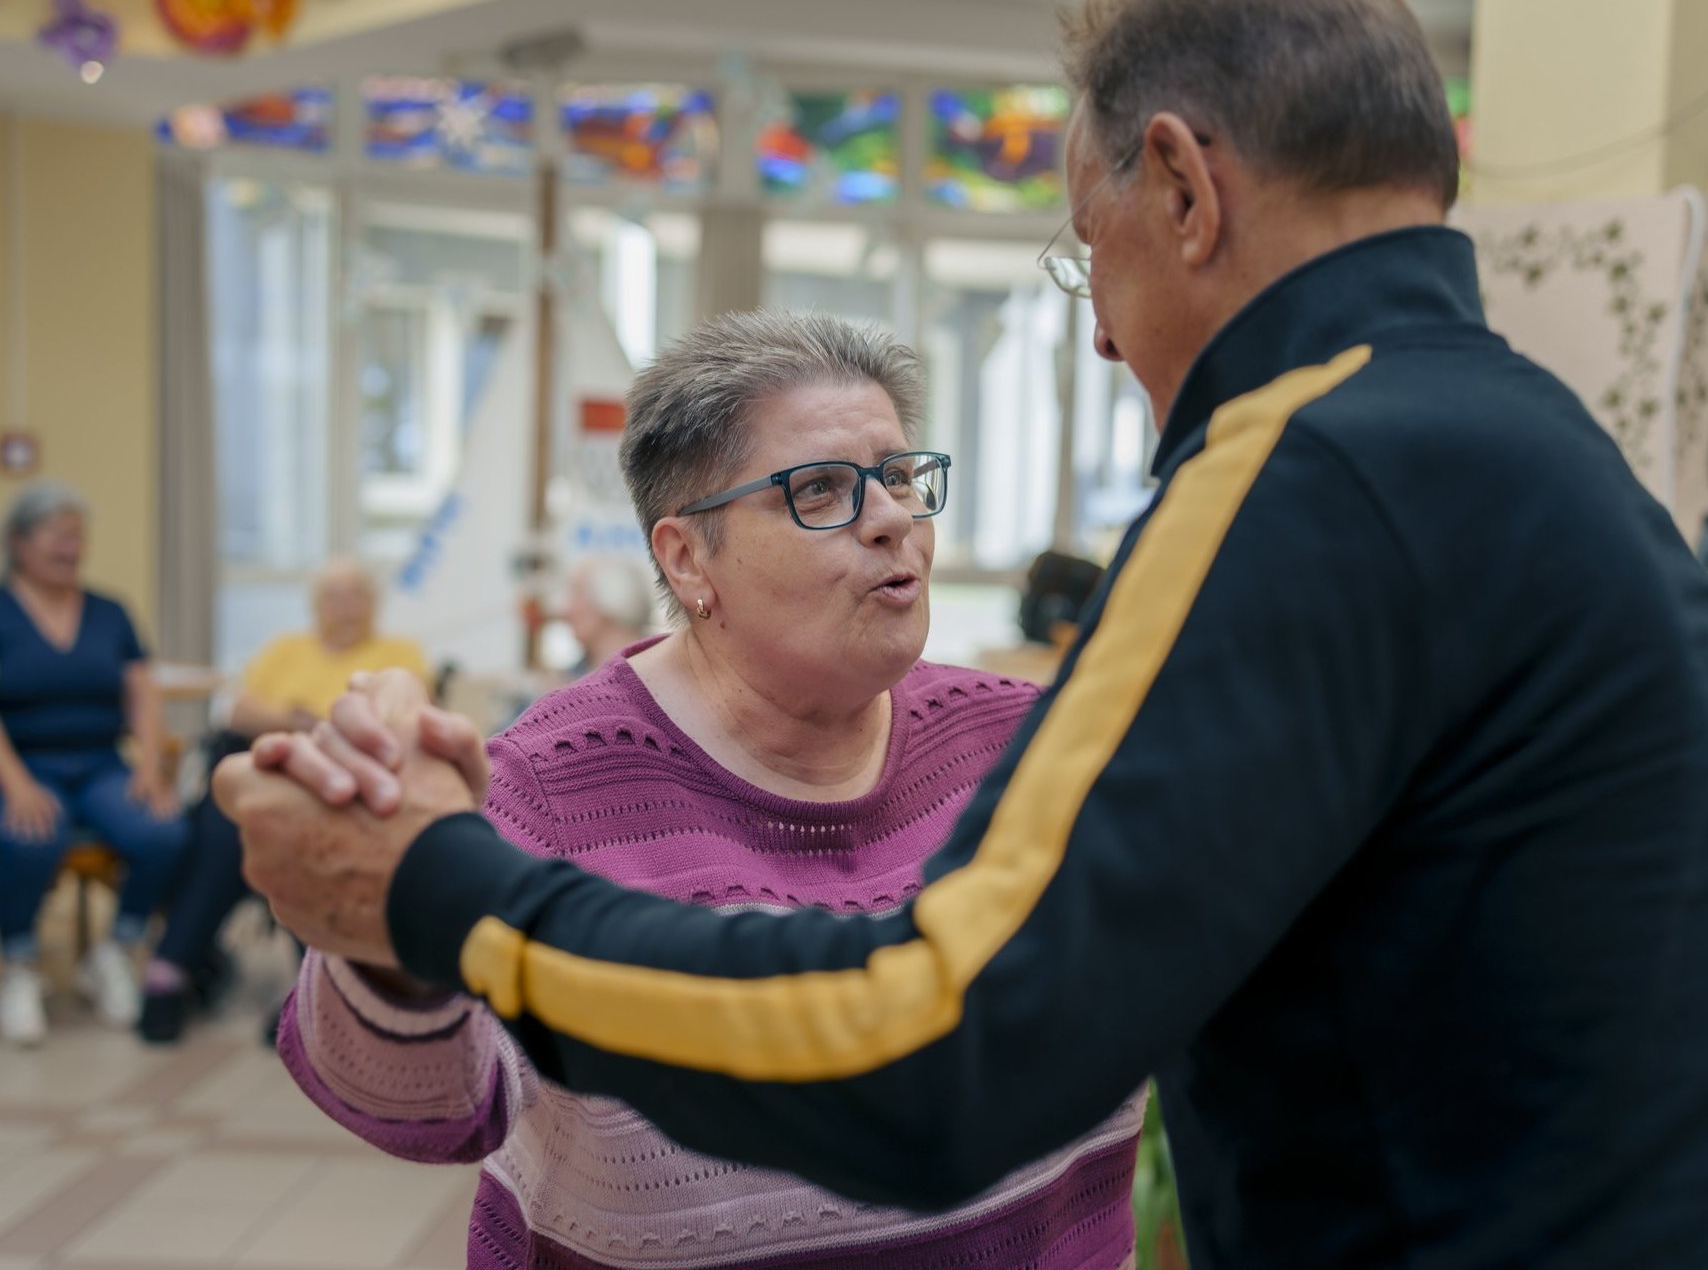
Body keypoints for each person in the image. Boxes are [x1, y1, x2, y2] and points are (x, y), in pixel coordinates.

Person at [217, 0, 1708, 1265]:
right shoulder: (1531, 440)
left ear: (1185, 190)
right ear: (687, 557)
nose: (1108, 331)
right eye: (818, 488)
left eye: (1090, 249)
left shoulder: (1303, 471)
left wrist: (442, 889)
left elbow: (943, 1054)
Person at [260, 312, 1143, 1268]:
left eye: (897, 477)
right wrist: (390, 906)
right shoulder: (547, 788)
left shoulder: (1034, 740)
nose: (891, 517)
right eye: (820, 491)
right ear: (688, 560)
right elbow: (416, 1105)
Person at [137, 558, 427, 1043]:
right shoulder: (285, 649)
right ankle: (295, 986)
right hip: (269, 776)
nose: (345, 606)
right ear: (316, 605)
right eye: (333, 596)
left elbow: (399, 722)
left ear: (373, 603)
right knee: (227, 829)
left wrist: (299, 723)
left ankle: (175, 966)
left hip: (345, 786)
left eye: (355, 594)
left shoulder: (398, 654)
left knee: (269, 831)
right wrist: (307, 726)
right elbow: (239, 708)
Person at [0, 482, 186, 1046]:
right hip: (24, 764)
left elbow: (141, 690)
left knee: (164, 833)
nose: (70, 547)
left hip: (102, 764)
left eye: (77, 537)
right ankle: (20, 962)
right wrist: (18, 785)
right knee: (29, 837)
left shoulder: (110, 611)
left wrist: (149, 769)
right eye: (57, 536)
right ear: (20, 543)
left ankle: (113, 949)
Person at [561, 553, 655, 674]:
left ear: (612, 599)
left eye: (578, 595)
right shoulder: (566, 680)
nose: (566, 611)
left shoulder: (661, 676)